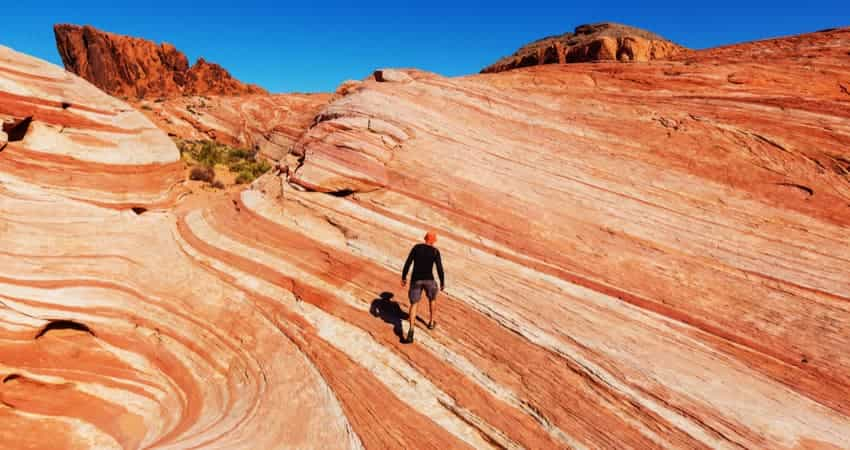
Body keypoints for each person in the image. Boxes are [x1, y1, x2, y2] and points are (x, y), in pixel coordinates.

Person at [401, 230, 445, 343]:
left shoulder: (416, 247)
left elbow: (408, 262)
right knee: (432, 300)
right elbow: (439, 268)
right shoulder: (435, 251)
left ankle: (411, 331)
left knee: (414, 304)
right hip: (429, 280)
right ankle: (431, 322)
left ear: (425, 238)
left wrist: (404, 276)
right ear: (434, 241)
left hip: (416, 280)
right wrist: (442, 282)